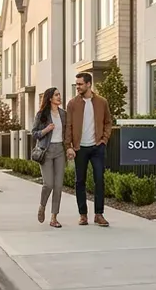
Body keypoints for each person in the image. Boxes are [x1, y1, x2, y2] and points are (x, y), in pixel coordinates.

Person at [64, 72, 116, 226]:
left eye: (80, 84)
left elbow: (108, 122)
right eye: (77, 84)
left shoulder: (102, 102)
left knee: (99, 180)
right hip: (80, 148)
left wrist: (104, 140)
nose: (77, 87)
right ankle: (83, 215)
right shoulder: (72, 104)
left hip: (97, 147)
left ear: (88, 84)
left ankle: (99, 214)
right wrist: (69, 146)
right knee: (80, 181)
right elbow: (69, 126)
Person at [31, 87, 67, 228]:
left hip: (60, 151)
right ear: (50, 98)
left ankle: (54, 217)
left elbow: (67, 132)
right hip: (46, 151)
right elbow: (34, 133)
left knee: (58, 186)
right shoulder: (42, 115)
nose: (59, 97)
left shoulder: (63, 114)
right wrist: (46, 130)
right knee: (49, 184)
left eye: (59, 94)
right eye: (56, 95)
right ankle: (42, 205)